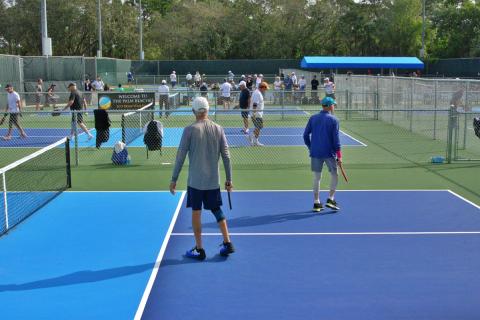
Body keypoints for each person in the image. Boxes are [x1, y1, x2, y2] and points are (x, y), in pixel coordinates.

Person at [169, 96, 234, 260]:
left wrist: (174, 179)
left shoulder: (189, 130)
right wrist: (229, 179)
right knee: (217, 209)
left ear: (193, 111)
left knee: (196, 213)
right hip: (213, 181)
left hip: (196, 182)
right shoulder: (218, 128)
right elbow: (226, 156)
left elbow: (180, 156)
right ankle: (227, 243)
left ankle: (199, 249)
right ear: (208, 109)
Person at [303, 96, 341, 212]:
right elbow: (336, 140)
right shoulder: (334, 120)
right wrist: (339, 156)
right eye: (333, 104)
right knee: (335, 174)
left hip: (315, 153)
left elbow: (305, 135)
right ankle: (331, 198)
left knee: (316, 177)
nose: (334, 106)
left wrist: (311, 147)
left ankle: (316, 202)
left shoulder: (313, 118)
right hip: (329, 153)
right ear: (329, 106)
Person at [249, 82, 268, 146]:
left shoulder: (257, 92)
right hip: (256, 114)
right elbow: (255, 104)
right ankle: (253, 138)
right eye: (265, 88)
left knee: (258, 127)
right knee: (259, 126)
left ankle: (254, 139)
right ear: (262, 87)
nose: (265, 90)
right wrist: (254, 113)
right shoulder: (257, 93)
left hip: (257, 114)